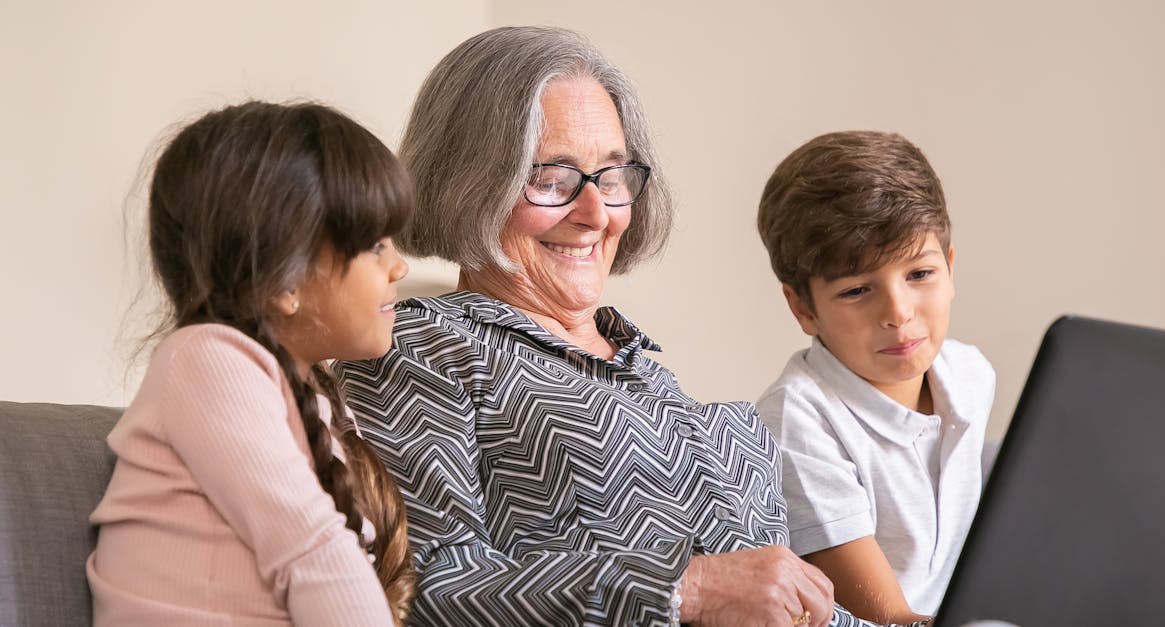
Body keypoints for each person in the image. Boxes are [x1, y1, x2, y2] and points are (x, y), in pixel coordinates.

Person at [337, 27, 925, 627]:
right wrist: (683, 590)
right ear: (471, 181)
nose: (596, 213)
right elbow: (418, 586)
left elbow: (785, 603)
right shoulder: (416, 347)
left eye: (611, 176)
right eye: (552, 178)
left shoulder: (647, 372)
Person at [87, 101, 417, 626]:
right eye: (375, 245)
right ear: (284, 281)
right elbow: (315, 554)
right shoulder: (207, 360)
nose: (399, 264)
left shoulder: (309, 394)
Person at [755, 130, 996, 623]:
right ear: (803, 308)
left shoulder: (970, 373)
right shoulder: (797, 421)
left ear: (950, 269)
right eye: (857, 290)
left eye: (920, 274)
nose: (898, 312)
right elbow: (887, 619)